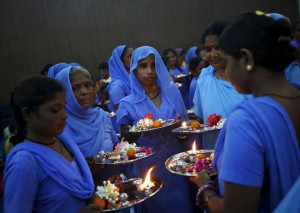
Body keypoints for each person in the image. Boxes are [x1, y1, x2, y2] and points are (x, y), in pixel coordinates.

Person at [191, 11, 300, 212]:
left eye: (228, 60)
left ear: (247, 59)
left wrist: (206, 189)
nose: (227, 71)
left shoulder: (247, 120)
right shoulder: (295, 95)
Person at [4, 76, 102, 213]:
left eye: (64, 108)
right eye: (55, 110)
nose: (64, 116)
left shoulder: (64, 140)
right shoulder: (24, 162)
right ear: (28, 114)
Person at [116, 46, 193, 213]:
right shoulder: (127, 104)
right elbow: (125, 140)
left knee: (182, 205)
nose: (149, 71)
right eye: (143, 66)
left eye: (153, 65)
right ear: (134, 70)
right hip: (147, 165)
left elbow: (185, 132)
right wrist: (133, 132)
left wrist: (181, 129)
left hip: (175, 161)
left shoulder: (172, 94)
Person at [193, 21, 253, 123]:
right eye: (208, 49)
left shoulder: (248, 77)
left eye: (218, 48)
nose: (213, 54)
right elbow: (202, 117)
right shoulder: (204, 78)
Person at [55, 66, 118, 157]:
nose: (84, 92)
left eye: (87, 85)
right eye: (75, 88)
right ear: (64, 93)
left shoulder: (103, 117)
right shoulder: (59, 127)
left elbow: (117, 150)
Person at [108, 45, 134, 111]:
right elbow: (121, 113)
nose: (134, 58)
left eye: (134, 55)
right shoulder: (117, 86)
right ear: (120, 62)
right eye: (130, 56)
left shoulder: (135, 78)